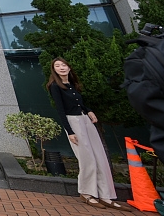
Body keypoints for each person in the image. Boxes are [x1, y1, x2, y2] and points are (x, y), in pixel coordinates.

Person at [48, 57, 132, 212]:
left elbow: (79, 103)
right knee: (87, 160)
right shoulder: (55, 86)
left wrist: (88, 111)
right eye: (57, 66)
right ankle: (86, 193)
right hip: (73, 122)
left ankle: (106, 196)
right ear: (54, 70)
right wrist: (70, 131)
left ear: (69, 67)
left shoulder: (72, 84)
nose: (61, 67)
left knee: (100, 158)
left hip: (85, 120)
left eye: (64, 65)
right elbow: (60, 110)